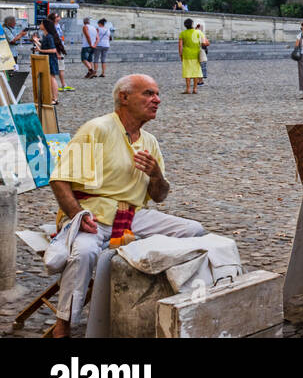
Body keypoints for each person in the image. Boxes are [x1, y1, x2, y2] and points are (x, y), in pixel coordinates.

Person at [48, 73, 207, 337]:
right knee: (84, 254)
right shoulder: (97, 129)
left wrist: (156, 174)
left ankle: (170, 303)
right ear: (124, 97)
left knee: (194, 231)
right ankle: (63, 324)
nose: (157, 99)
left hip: (132, 216)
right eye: (148, 93)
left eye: (157, 94)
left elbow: (159, 196)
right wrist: (78, 214)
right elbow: (60, 181)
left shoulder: (149, 142)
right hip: (93, 215)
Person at [35, 17, 70, 96]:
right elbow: (45, 47)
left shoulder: (49, 37)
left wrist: (40, 51)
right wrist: (37, 43)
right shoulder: (46, 36)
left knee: (52, 78)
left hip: (50, 60)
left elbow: (53, 50)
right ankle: (51, 97)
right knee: (49, 79)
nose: (40, 25)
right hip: (47, 59)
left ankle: (55, 98)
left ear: (45, 26)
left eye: (41, 24)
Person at [178, 18, 203, 94]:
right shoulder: (198, 32)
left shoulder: (182, 33)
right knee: (196, 72)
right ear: (192, 24)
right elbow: (204, 42)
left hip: (186, 54)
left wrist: (180, 55)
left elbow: (180, 46)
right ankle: (195, 89)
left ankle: (188, 89)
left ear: (185, 25)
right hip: (196, 54)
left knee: (187, 72)